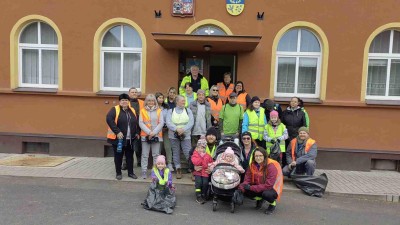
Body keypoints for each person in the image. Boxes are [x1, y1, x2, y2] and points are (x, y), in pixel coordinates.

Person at [238, 148, 283, 215]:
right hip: (259, 186)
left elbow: (268, 185)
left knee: (266, 194)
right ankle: (260, 199)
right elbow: (247, 180)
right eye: (256, 156)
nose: (258, 158)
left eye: (260, 156)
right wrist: (240, 189)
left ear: (264, 156)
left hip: (272, 189)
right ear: (254, 157)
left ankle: (272, 203)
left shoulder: (271, 166)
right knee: (244, 189)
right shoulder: (252, 165)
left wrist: (251, 188)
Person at [106, 93, 139, 180]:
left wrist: (137, 132)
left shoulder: (132, 110)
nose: (124, 102)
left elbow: (136, 122)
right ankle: (118, 173)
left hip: (130, 139)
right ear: (120, 101)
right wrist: (117, 132)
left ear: (129, 101)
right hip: (118, 139)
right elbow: (109, 119)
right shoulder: (115, 109)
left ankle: (131, 173)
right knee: (118, 156)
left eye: (126, 100)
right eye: (123, 100)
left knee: (130, 156)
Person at [166, 95, 194, 179]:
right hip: (173, 136)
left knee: (188, 152)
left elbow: (191, 122)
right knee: (176, 152)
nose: (184, 102)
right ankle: (178, 169)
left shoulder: (188, 110)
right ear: (177, 102)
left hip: (186, 135)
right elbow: (168, 122)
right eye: (182, 100)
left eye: (184, 100)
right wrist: (176, 129)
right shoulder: (170, 111)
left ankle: (193, 171)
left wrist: (183, 129)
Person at [139, 94, 164, 179]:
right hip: (145, 136)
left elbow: (161, 123)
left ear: (155, 101)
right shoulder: (142, 110)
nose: (150, 102)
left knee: (156, 155)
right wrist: (149, 132)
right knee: (145, 155)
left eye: (152, 100)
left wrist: (154, 132)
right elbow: (141, 123)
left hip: (156, 136)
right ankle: (144, 171)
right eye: (149, 100)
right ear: (146, 101)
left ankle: (155, 171)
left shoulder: (159, 110)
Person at [281, 97, 306, 167]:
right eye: (292, 101)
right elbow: (281, 125)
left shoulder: (301, 113)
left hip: (296, 136)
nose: (293, 103)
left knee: (296, 151)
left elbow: (304, 126)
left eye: (295, 102)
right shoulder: (285, 112)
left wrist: (301, 135)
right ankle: (285, 166)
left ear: (298, 103)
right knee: (286, 151)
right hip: (286, 136)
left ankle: (296, 166)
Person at [191, 138, 214, 204]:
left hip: (205, 173)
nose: (201, 150)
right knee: (198, 182)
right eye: (200, 148)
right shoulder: (195, 155)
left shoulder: (208, 156)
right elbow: (196, 162)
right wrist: (202, 158)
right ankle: (198, 194)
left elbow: (211, 162)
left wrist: (210, 167)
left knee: (205, 183)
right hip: (198, 172)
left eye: (203, 148)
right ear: (197, 148)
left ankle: (204, 194)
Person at [156, 92, 174, 172]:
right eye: (159, 98)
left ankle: (169, 163)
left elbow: (169, 118)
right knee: (158, 147)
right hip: (157, 130)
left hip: (166, 130)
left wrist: (167, 126)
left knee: (167, 147)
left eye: (162, 98)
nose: (161, 99)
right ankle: (158, 164)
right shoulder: (154, 107)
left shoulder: (167, 107)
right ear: (156, 98)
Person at [128, 87, 144, 168]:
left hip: (139, 127)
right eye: (132, 92)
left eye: (135, 92)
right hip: (128, 127)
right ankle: (125, 163)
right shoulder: (126, 102)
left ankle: (139, 161)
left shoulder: (142, 102)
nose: (134, 93)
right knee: (127, 146)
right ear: (129, 94)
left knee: (138, 146)